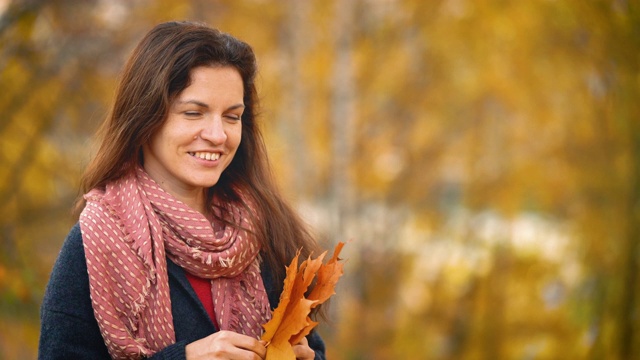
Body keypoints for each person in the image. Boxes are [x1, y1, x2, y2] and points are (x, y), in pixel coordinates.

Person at [39, 21, 326, 360]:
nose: (218, 135)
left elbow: (313, 348)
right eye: (194, 113)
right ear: (146, 117)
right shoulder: (96, 243)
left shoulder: (265, 231)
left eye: (232, 117)